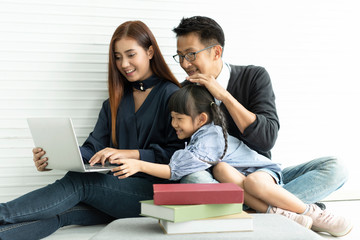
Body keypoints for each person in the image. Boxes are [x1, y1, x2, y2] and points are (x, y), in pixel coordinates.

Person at [0, 20, 183, 240]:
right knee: (61, 212)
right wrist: (57, 157)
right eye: (117, 57)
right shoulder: (114, 102)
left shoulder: (173, 95)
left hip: (154, 194)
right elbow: (93, 148)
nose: (124, 63)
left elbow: (179, 156)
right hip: (118, 192)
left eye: (131, 54)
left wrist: (132, 154)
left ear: (150, 51)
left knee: (81, 182)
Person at [171, 16, 350, 235]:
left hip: (261, 175)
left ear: (216, 52)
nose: (184, 64)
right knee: (193, 179)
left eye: (190, 54)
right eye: (180, 56)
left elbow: (266, 139)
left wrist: (225, 96)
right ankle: (284, 210)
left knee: (336, 167)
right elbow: (184, 149)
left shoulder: (254, 76)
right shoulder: (185, 93)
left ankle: (256, 211)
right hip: (219, 180)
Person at [109, 84, 352, 236]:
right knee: (222, 170)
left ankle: (306, 211)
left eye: (178, 118)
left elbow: (175, 170)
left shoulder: (209, 137)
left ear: (201, 119)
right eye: (172, 118)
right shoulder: (198, 137)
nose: (173, 125)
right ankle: (273, 209)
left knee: (256, 182)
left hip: (263, 176)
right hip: (238, 183)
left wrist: (139, 164)